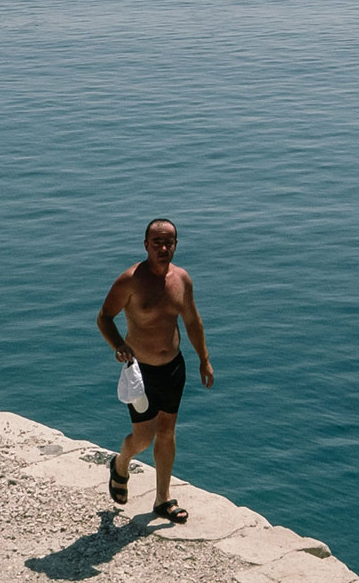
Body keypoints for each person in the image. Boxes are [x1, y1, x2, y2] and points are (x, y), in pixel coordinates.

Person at [96, 218, 213, 524]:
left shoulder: (182, 280)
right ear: (146, 245)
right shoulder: (130, 281)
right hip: (141, 372)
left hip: (173, 367)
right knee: (143, 437)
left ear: (176, 245)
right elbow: (104, 317)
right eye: (157, 242)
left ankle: (163, 499)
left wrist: (204, 359)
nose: (163, 248)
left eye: (168, 243)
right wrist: (118, 345)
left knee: (167, 431)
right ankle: (120, 464)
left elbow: (192, 322)